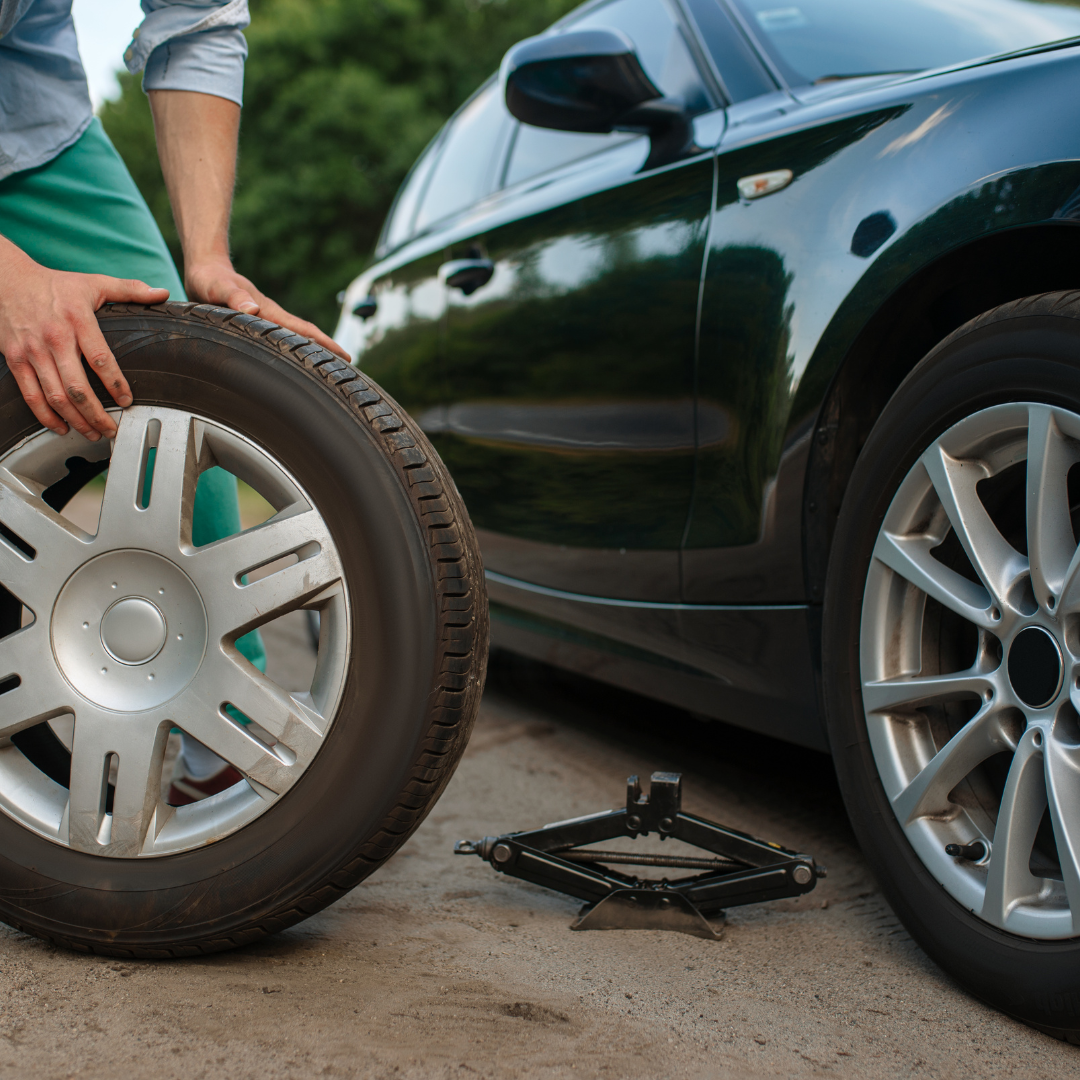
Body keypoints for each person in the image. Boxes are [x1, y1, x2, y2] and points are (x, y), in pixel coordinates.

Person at [0, 0, 345, 803]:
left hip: (31, 114)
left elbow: (195, 23)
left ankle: (210, 721)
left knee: (179, 364)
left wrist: (211, 259)